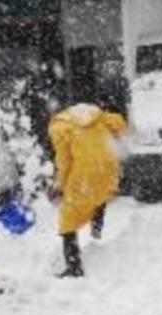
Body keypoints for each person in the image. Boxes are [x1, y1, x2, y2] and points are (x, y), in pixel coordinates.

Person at [48, 102, 127, 278]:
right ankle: (96, 229)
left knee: (67, 221)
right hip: (108, 170)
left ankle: (74, 268)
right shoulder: (101, 118)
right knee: (99, 195)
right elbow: (121, 128)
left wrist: (58, 186)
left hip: (85, 175)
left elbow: (64, 162)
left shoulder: (61, 127)